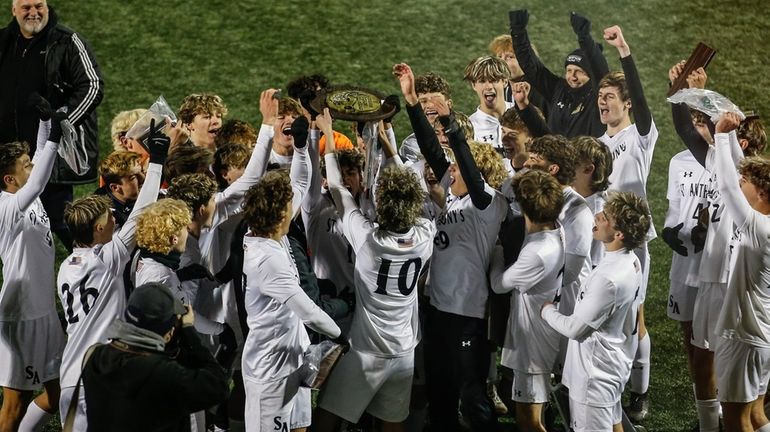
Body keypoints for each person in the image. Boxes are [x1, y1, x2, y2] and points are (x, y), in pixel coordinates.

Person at [395, 62, 509, 431]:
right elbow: (433, 152)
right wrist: (412, 102)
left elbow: (467, 169)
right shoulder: (456, 200)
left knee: (472, 397)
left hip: (466, 317)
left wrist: (453, 127)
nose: (449, 175)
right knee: (440, 394)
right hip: (437, 310)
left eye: (457, 171)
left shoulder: (486, 203)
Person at [313, 109, 435, 431]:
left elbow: (339, 191)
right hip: (405, 349)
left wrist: (326, 135)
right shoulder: (425, 234)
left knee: (327, 415)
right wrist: (390, 149)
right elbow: (416, 194)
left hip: (368, 350)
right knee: (391, 423)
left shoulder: (369, 240)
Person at [669, 62, 767, 432]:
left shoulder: (745, 172)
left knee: (724, 371)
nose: (709, 129)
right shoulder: (718, 157)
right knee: (706, 360)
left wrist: (702, 92)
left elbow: (727, 120)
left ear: (741, 142)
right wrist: (681, 89)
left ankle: (719, 425)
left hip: (729, 282)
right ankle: (712, 424)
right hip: (716, 276)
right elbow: (685, 126)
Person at [56, 123, 167, 431]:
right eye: (107, 220)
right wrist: (157, 161)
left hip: (70, 374)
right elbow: (142, 209)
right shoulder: (107, 259)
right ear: (96, 230)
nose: (113, 222)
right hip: (101, 372)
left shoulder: (66, 266)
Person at [241, 170, 341, 432]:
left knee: (299, 427)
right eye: (290, 206)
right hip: (271, 370)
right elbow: (309, 312)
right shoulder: (267, 260)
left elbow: (298, 182)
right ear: (282, 216)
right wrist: (340, 336)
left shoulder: (270, 234)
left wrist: (301, 145)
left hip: (294, 357)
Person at [542, 191, 650, 432]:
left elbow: (575, 329)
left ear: (619, 234)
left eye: (606, 217)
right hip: (610, 366)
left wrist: (547, 310)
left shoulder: (609, 278)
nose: (598, 216)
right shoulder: (630, 260)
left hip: (595, 378)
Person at [0, 0, 104, 250]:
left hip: (49, 153)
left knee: (59, 218)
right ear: (14, 9)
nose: (34, 13)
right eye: (26, 7)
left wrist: (61, 124)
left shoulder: (67, 41)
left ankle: (89, 267)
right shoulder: (3, 40)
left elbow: (92, 86)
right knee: (10, 219)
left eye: (39, 6)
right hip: (7, 154)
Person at [592, 26, 657, 419]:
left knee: (634, 316)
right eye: (599, 98)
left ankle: (640, 392)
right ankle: (605, 382)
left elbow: (646, 106)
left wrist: (624, 53)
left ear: (627, 103)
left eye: (609, 97)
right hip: (601, 239)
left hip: (631, 241)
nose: (602, 103)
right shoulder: (597, 144)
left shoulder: (640, 136)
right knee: (604, 314)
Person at [81, 282, 229, 432]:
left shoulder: (95, 356)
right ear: (168, 334)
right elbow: (219, 385)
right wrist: (189, 332)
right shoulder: (162, 373)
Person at [0, 108, 67, 432]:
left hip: (45, 313)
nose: (33, 167)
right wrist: (56, 134)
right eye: (25, 166)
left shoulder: (26, 194)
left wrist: (44, 121)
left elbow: (39, 160)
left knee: (58, 395)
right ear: (9, 179)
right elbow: (39, 179)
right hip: (21, 316)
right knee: (14, 406)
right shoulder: (6, 206)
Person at [488, 169, 565, 432]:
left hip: (531, 344)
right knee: (536, 415)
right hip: (543, 333)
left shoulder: (536, 252)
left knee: (528, 421)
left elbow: (499, 285)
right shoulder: (557, 230)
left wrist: (496, 248)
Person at [709, 114, 770, 432]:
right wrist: (731, 140)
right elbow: (737, 179)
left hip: (744, 337)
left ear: (761, 193)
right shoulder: (764, 223)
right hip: (762, 337)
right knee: (758, 416)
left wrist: (721, 136)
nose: (739, 185)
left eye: (745, 184)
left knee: (735, 421)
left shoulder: (757, 227)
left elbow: (725, 184)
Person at [508, 10, 607, 138]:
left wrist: (585, 38)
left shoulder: (598, 96)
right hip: (554, 156)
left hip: (585, 158)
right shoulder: (559, 89)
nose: (572, 77)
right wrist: (518, 32)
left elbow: (600, 70)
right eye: (569, 70)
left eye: (580, 72)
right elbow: (533, 68)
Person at [463, 55, 514, 149]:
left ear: (505, 82)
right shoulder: (470, 127)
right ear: (474, 85)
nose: (488, 86)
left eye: (493, 80)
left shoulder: (523, 116)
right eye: (482, 81)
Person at [95, 151, 144, 228]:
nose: (143, 179)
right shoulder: (108, 219)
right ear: (115, 187)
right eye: (133, 178)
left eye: (141, 172)